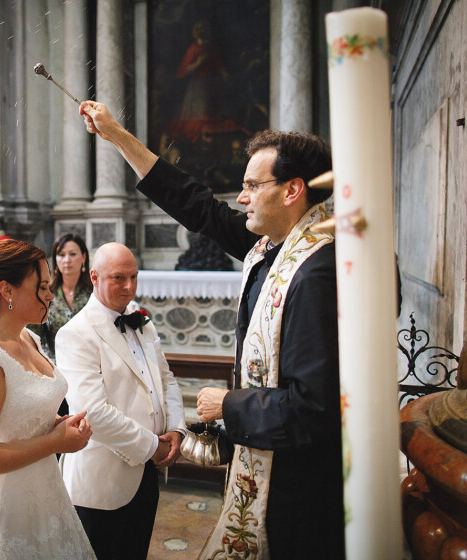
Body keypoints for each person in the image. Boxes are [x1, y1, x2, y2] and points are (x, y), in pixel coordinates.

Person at [78, 101, 344, 559]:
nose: (240, 198)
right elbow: (196, 205)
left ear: (292, 190)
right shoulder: (272, 247)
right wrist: (119, 136)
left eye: (251, 186)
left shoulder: (318, 270)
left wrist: (229, 403)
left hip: (297, 484)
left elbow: (313, 406)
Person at [0, 239, 95, 559]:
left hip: (45, 492)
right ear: (8, 291)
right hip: (3, 508)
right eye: (43, 286)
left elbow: (18, 413)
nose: (50, 295)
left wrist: (55, 423)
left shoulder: (26, 336)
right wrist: (55, 442)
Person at [55, 242, 186, 560]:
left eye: (134, 277)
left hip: (147, 475)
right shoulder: (76, 334)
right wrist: (153, 447)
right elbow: (93, 413)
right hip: (102, 482)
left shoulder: (141, 320)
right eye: (118, 278)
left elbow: (166, 379)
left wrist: (177, 429)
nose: (128, 287)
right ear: (95, 277)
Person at [30, 232, 93, 362]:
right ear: (55, 259)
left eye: (72, 254)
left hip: (91, 362)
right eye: (61, 255)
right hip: (55, 364)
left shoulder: (94, 292)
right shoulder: (45, 293)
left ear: (84, 257)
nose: (67, 260)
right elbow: (34, 336)